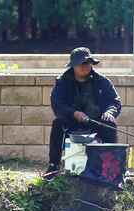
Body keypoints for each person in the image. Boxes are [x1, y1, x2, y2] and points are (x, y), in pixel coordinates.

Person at [43, 47, 122, 179]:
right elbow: (57, 104)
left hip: (96, 121)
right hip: (72, 121)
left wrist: (110, 112)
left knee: (110, 124)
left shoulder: (102, 81)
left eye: (88, 63)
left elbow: (115, 102)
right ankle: (53, 166)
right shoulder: (62, 81)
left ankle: (110, 169)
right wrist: (73, 113)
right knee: (57, 124)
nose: (85, 66)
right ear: (73, 65)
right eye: (81, 63)